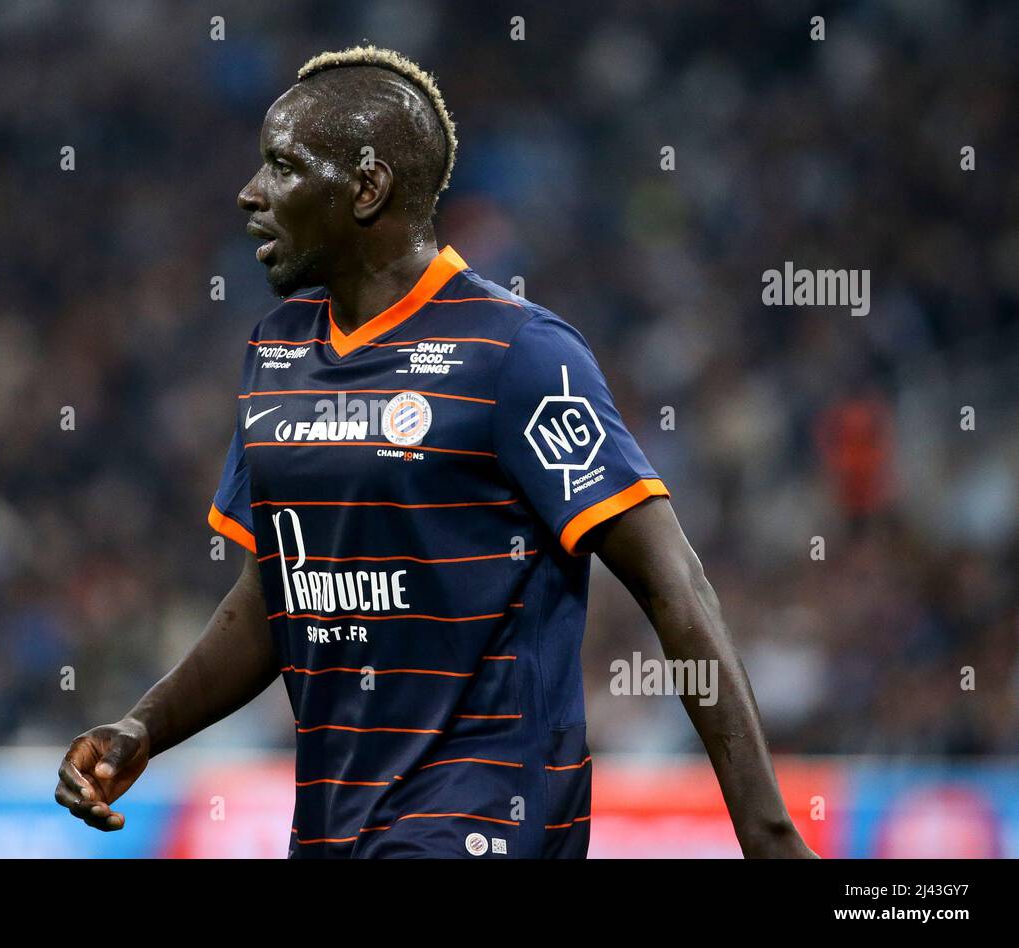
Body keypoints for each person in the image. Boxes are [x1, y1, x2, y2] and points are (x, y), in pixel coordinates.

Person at [55, 45, 816, 859]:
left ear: (367, 187)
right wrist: (146, 726)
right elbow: (274, 596)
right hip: (332, 827)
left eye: (282, 166)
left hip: (487, 817)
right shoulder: (275, 353)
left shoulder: (517, 353)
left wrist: (768, 835)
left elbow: (676, 586)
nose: (250, 194)